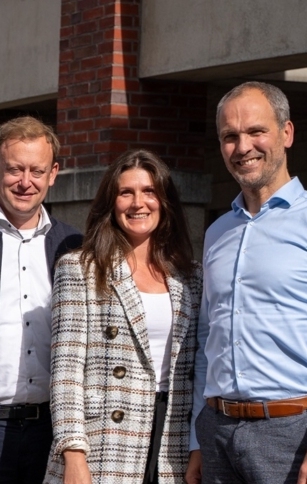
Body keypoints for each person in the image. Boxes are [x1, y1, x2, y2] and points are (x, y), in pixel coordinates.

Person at [186, 82, 307, 484]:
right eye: (230, 136)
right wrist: (197, 437)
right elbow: (208, 339)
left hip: (294, 433)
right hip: (217, 432)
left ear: (286, 133)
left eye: (257, 132)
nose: (243, 147)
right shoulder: (218, 232)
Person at [47, 149, 201, 484]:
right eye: (125, 192)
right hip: (105, 439)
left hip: (172, 436)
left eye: (149, 192)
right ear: (110, 202)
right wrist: (73, 453)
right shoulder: (80, 269)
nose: (138, 203)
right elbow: (66, 372)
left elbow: (197, 369)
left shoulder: (191, 278)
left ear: (165, 200)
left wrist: (197, 447)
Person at [0, 116, 82, 484]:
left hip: (52, 433)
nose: (26, 182)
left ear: (53, 173)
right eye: (15, 169)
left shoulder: (74, 246)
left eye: (37, 171)